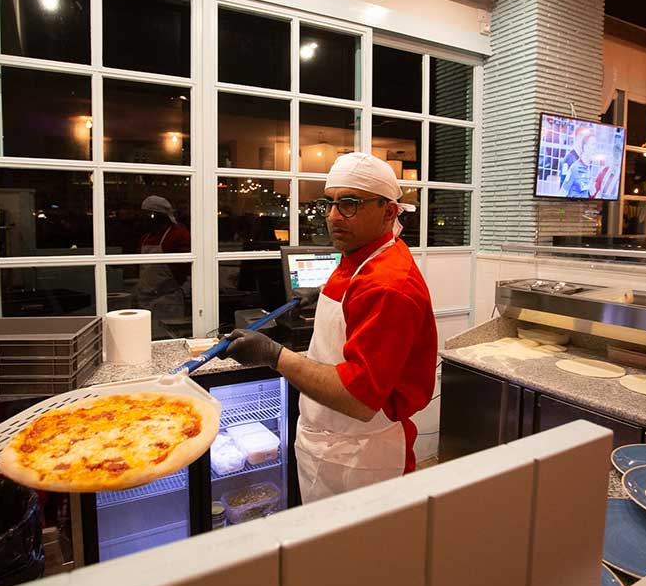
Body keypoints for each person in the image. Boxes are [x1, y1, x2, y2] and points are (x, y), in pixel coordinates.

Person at [220, 153, 438, 502]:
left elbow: (358, 399)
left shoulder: (389, 286)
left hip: (361, 457)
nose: (334, 216)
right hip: (332, 440)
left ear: (388, 212)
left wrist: (274, 355)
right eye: (329, 203)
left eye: (349, 204)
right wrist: (321, 292)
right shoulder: (362, 255)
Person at [134, 196, 191, 339]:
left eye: (147, 215)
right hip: (145, 300)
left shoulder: (179, 236)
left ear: (158, 216)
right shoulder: (145, 238)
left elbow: (186, 269)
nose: (142, 219)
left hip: (168, 301)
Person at [559, 127, 596, 198]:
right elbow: (563, 188)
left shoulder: (588, 164)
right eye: (592, 144)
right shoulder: (571, 162)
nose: (594, 148)